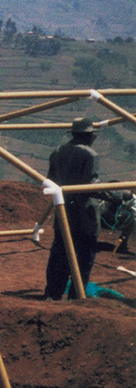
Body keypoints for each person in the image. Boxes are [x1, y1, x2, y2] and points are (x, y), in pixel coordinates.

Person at [43, 117, 113, 299]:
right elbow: (90, 184)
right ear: (88, 136)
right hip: (84, 214)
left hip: (64, 210)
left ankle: (52, 293)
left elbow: (50, 181)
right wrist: (115, 194)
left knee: (59, 253)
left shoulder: (57, 152)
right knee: (84, 257)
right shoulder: (89, 155)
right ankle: (77, 296)